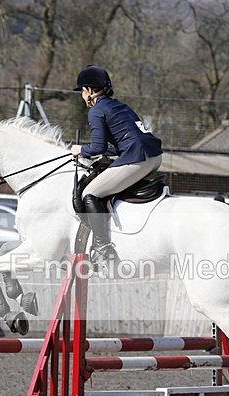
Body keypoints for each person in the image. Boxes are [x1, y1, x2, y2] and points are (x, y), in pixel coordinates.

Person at [70, 65, 163, 270]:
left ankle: (104, 249)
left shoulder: (96, 111)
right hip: (153, 155)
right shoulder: (118, 105)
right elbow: (116, 144)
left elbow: (97, 147)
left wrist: (79, 149)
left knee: (90, 193)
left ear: (90, 91)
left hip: (138, 158)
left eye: (82, 91)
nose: (82, 96)